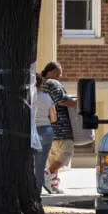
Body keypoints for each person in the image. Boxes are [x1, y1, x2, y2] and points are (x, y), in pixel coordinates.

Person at [41, 62, 77, 194]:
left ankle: (52, 184)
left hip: (48, 127)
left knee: (53, 158)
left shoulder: (42, 84)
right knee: (65, 154)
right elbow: (61, 100)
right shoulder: (52, 83)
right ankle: (46, 175)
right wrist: (77, 103)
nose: (60, 76)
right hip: (61, 128)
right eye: (58, 73)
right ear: (51, 72)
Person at [33, 73, 58, 194]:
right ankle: (36, 193)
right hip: (46, 131)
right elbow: (54, 118)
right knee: (40, 164)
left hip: (32, 132)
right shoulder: (47, 97)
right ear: (41, 83)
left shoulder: (28, 97)